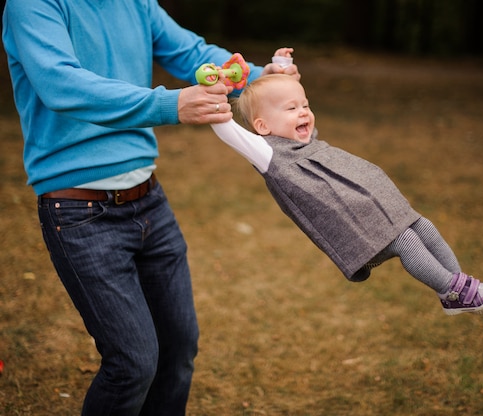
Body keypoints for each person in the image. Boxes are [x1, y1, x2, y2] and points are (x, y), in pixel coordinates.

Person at [2, 0, 299, 414]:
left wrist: (261, 76)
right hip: (78, 213)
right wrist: (170, 105)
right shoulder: (32, 5)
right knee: (132, 365)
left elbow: (191, 53)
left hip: (149, 201)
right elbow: (61, 84)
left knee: (178, 351)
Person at [210, 61, 483, 317]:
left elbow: (289, 91)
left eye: (306, 105)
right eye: (292, 109)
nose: (303, 113)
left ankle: (460, 289)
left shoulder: (304, 139)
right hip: (348, 220)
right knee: (405, 241)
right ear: (262, 126)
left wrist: (282, 65)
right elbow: (227, 129)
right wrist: (216, 91)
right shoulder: (267, 152)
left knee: (423, 226)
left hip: (367, 204)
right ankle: (452, 291)